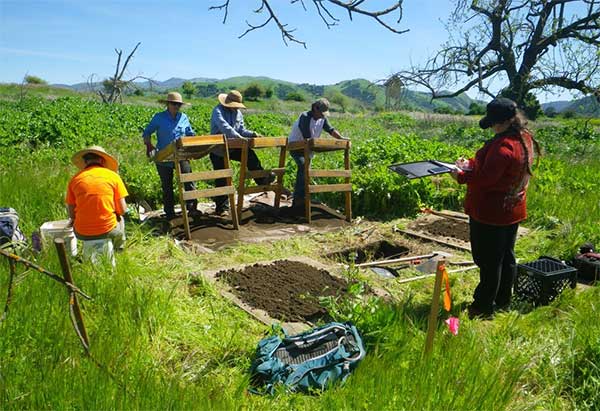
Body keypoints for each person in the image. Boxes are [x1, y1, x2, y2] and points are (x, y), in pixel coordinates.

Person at [450, 97, 541, 319]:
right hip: (512, 210)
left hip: (491, 212)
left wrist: (460, 175)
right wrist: (470, 164)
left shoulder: (504, 147)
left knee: (488, 261)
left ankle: (483, 307)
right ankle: (503, 300)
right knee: (506, 257)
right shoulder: (523, 138)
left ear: (508, 121)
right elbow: (495, 171)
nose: (491, 126)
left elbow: (486, 179)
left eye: (494, 122)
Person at [209, 90, 272, 215]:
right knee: (223, 177)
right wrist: (241, 139)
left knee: (250, 155)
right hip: (219, 149)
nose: (235, 108)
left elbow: (241, 130)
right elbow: (226, 128)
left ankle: (262, 180)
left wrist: (252, 134)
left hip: (234, 147)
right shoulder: (218, 111)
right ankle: (221, 208)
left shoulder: (238, 114)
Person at [142, 91, 197, 220]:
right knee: (167, 186)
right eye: (173, 104)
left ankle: (192, 208)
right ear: (167, 104)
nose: (176, 107)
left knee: (189, 180)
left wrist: (194, 143)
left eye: (178, 104)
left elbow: (190, 133)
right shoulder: (159, 117)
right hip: (164, 156)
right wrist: (149, 145)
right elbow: (147, 132)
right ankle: (170, 213)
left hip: (181, 155)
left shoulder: (183, 117)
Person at [287, 98, 348, 213]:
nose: (322, 116)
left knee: (306, 171)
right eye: (321, 113)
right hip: (296, 146)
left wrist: (341, 139)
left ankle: (303, 197)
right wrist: (316, 144)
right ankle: (298, 199)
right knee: (303, 165)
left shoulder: (322, 119)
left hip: (308, 148)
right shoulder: (305, 117)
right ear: (315, 108)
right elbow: (307, 136)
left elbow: (331, 130)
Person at [66, 146, 128, 251]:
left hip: (82, 233)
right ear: (102, 160)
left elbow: (71, 214)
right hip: (108, 230)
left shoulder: (75, 179)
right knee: (120, 218)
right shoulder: (113, 176)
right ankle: (118, 249)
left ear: (85, 162)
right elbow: (122, 210)